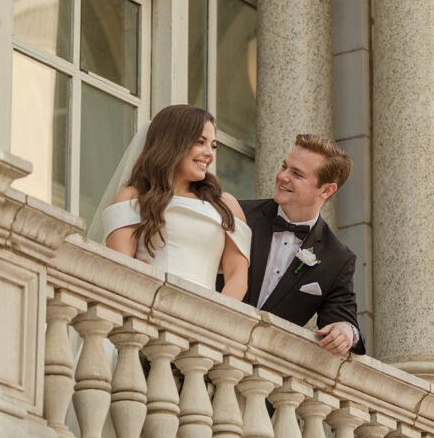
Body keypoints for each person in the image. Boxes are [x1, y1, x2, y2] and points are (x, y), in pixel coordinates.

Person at [92, 105, 250, 298]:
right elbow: (120, 268)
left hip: (205, 317)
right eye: (200, 142)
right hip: (147, 310)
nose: (210, 153)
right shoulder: (132, 198)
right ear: (172, 143)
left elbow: (237, 277)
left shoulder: (226, 205)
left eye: (213, 145)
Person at [240, 134, 364, 355]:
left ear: (326, 190)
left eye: (296, 174)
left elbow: (344, 320)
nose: (282, 176)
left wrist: (346, 330)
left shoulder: (338, 259)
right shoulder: (238, 215)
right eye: (284, 167)